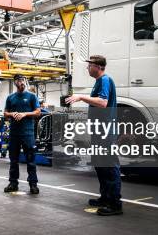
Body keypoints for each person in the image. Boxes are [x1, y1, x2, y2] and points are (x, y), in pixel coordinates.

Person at [66, 55, 123, 216]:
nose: (87, 68)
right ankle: (105, 197)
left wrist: (81, 97)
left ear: (97, 66)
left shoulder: (105, 80)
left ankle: (115, 203)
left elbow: (103, 103)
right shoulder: (99, 82)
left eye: (89, 65)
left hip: (106, 130)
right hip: (99, 130)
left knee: (109, 165)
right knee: (100, 165)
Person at [3, 74, 41, 194]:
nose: (22, 82)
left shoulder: (32, 97)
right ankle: (13, 183)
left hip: (28, 133)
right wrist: (11, 114)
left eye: (23, 80)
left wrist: (24, 114)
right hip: (14, 133)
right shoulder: (10, 98)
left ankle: (33, 185)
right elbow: (5, 113)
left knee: (31, 160)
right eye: (19, 80)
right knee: (13, 160)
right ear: (15, 82)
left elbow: (38, 112)